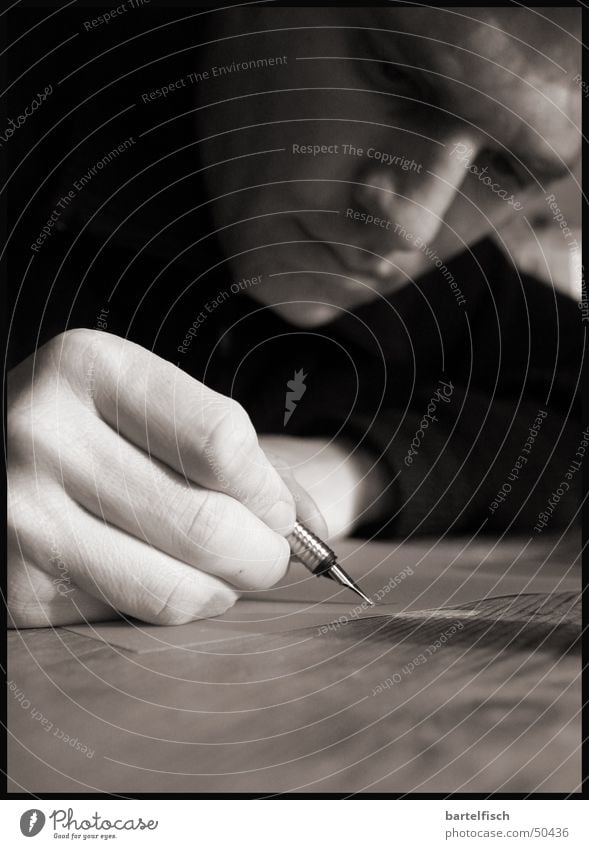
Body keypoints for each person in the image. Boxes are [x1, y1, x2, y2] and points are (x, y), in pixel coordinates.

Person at [7, 7, 582, 628]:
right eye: (398, 77)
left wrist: (352, 466)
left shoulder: (461, 282)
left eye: (507, 169)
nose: (410, 225)